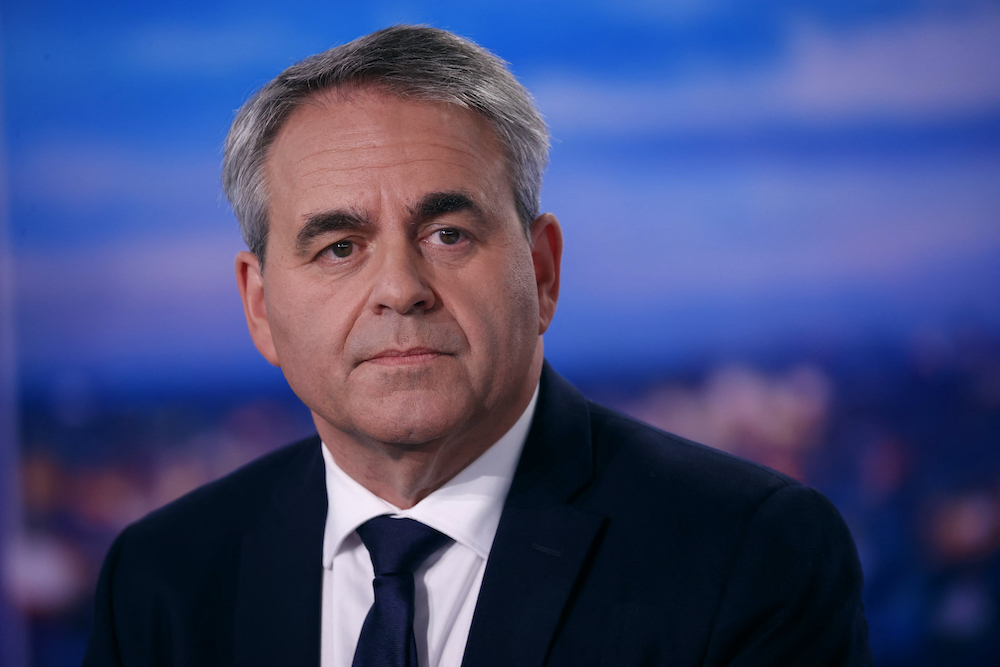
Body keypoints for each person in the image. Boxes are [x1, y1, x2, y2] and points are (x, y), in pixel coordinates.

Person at [83, 25, 872, 667]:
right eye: (339, 247)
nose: (400, 286)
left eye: (448, 233)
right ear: (259, 306)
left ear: (542, 270)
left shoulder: (749, 555)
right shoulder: (162, 579)